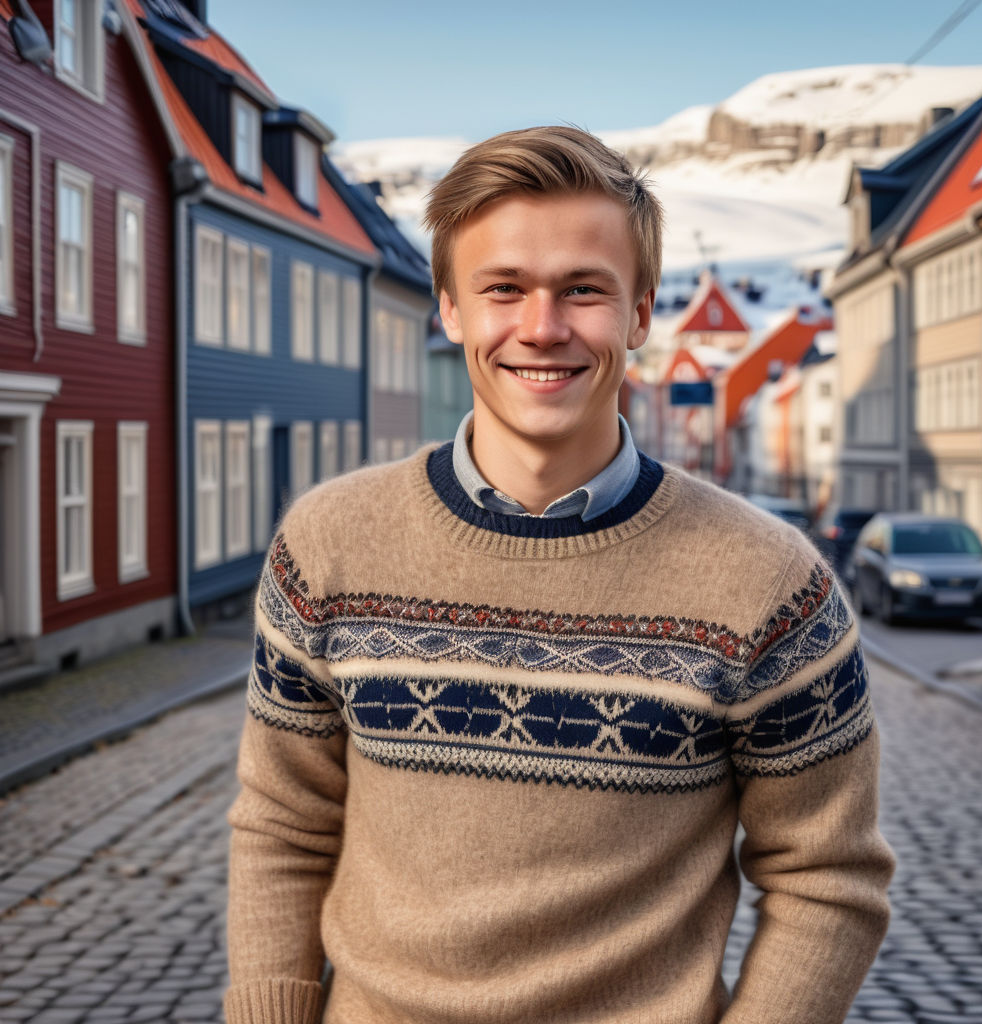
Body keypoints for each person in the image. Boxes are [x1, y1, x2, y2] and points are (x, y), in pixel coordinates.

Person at [224, 125, 895, 1024]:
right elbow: (283, 825)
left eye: (583, 290)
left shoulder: (770, 585)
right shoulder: (328, 545)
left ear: (640, 314)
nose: (541, 328)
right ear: (450, 310)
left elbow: (829, 877)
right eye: (503, 288)